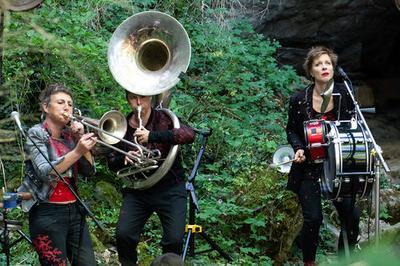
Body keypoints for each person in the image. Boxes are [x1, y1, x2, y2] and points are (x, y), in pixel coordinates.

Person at [286, 46, 360, 265]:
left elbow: (354, 125)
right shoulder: (299, 99)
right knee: (313, 219)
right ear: (311, 71)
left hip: (339, 165)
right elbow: (291, 129)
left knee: (352, 216)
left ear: (333, 67)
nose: (324, 67)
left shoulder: (345, 93)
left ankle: (343, 261)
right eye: (318, 64)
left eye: (327, 63)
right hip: (309, 165)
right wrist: (298, 147)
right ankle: (309, 262)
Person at [107, 91, 195, 265]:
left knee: (174, 240)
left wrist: (152, 136)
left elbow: (189, 135)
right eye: (133, 98)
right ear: (127, 100)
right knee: (123, 235)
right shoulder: (120, 126)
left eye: (143, 97)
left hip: (170, 187)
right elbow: (111, 162)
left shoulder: (164, 118)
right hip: (138, 190)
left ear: (150, 98)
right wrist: (125, 159)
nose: (139, 102)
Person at [22, 83, 97, 265]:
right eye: (61, 102)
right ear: (46, 107)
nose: (67, 108)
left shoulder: (70, 136)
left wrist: (79, 138)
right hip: (47, 212)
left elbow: (90, 171)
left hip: (75, 211)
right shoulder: (36, 133)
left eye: (70, 104)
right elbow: (45, 172)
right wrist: (77, 151)